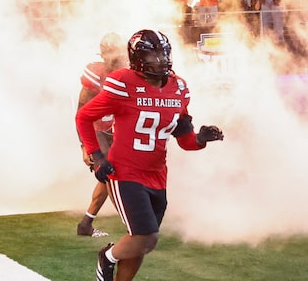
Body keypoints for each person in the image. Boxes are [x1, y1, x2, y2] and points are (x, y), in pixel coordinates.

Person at [76, 29, 223, 281]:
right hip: (125, 172)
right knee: (147, 236)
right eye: (152, 55)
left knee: (142, 243)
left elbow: (185, 140)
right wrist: (96, 155)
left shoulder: (178, 88)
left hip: (157, 175)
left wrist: (200, 139)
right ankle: (108, 256)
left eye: (163, 54)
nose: (159, 60)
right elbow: (84, 116)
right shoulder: (122, 82)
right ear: (137, 58)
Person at [76, 32, 127, 238]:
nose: (113, 58)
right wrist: (84, 146)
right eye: (109, 53)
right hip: (96, 131)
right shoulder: (96, 73)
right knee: (113, 176)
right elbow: (80, 112)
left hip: (113, 130)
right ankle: (131, 224)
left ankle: (86, 224)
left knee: (110, 177)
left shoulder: (126, 73)